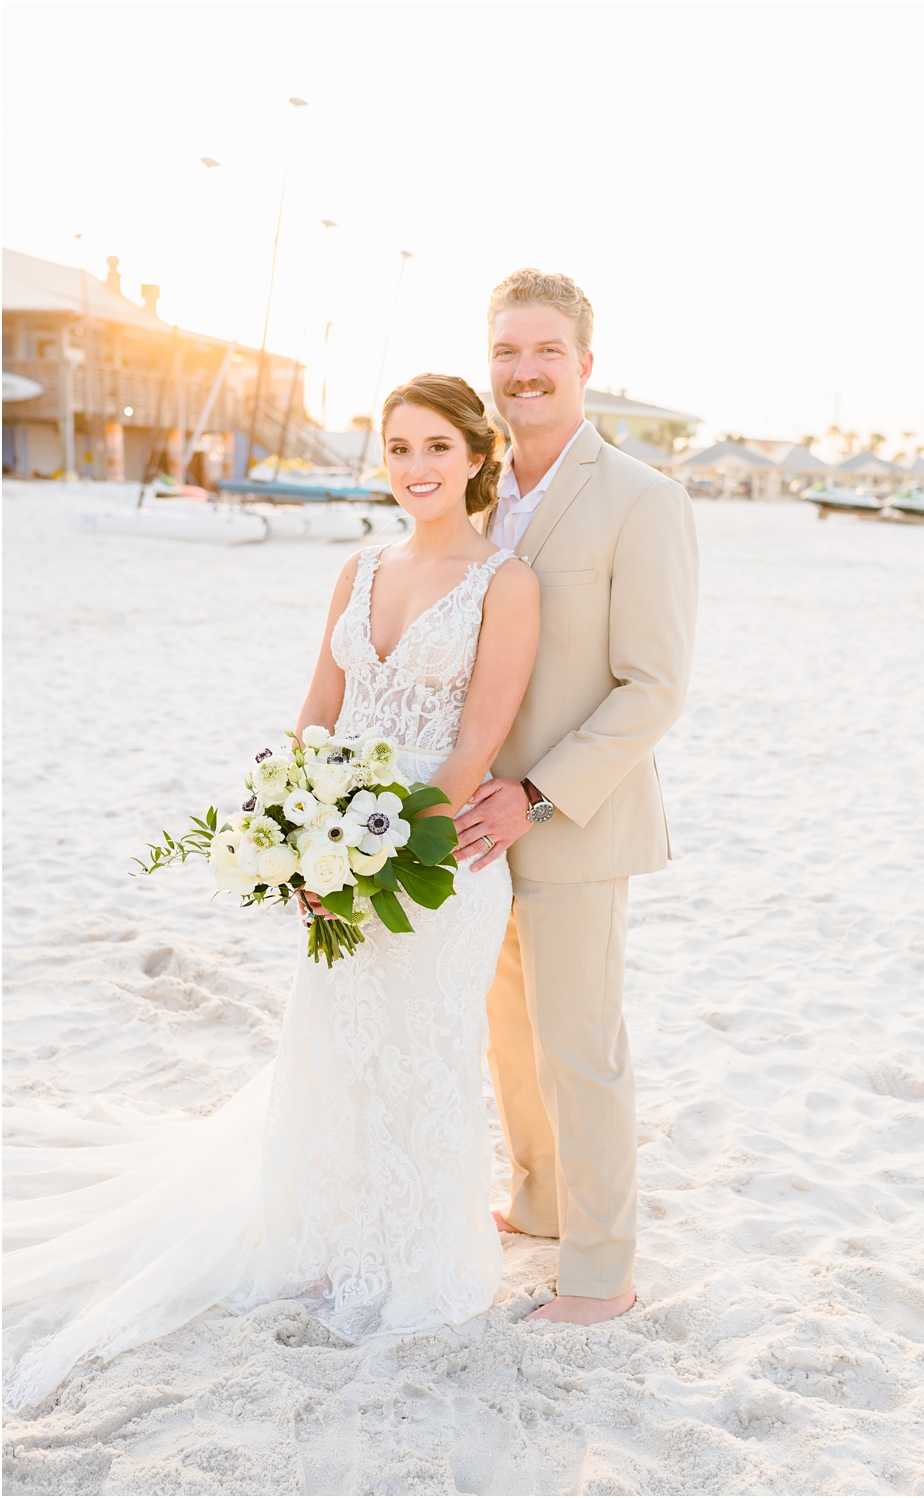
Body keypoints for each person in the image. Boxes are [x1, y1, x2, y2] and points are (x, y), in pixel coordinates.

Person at [3, 374, 539, 1410]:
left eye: (435, 447)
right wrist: (295, 839)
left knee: (422, 1053)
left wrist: (379, 852)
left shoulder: (505, 582)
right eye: (396, 448)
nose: (415, 468)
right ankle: (326, 1238)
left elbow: (476, 743)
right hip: (335, 845)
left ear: (476, 456)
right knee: (335, 1044)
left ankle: (413, 1258)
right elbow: (314, 712)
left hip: (441, 856)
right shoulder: (357, 566)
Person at [454, 269, 699, 1326]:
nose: (523, 371)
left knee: (578, 1044)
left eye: (545, 351)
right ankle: (541, 1202)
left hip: (573, 821)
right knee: (506, 1035)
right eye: (507, 352)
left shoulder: (645, 499)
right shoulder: (476, 493)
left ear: (585, 365)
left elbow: (656, 687)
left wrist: (538, 795)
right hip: (469, 823)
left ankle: (600, 1273)